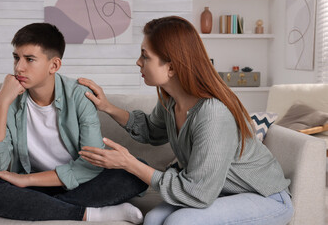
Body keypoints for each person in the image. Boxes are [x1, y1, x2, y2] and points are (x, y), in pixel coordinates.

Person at [78, 16, 294, 225]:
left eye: (145, 56)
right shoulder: (170, 101)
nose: (138, 62)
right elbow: (151, 130)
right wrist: (107, 107)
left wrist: (129, 164)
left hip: (265, 197)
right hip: (220, 193)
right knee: (153, 219)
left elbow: (198, 194)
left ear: (171, 67)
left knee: (180, 222)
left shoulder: (213, 114)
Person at [0, 23, 147, 223]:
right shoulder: (6, 98)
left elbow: (91, 164)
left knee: (138, 170)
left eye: (30, 59)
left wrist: (25, 181)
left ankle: (41, 206)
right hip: (36, 183)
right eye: (16, 57)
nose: (19, 67)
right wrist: (1, 103)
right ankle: (90, 213)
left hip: (77, 181)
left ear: (54, 65)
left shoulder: (79, 95)